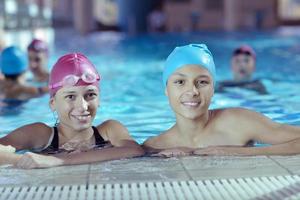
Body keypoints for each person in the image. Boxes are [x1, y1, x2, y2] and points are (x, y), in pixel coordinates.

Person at [143, 44, 300, 157]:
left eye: (202, 82)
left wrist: (241, 152)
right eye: (180, 82)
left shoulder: (239, 122)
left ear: (213, 89)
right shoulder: (154, 147)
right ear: (166, 89)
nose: (192, 91)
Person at [0, 53, 144, 169]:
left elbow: (134, 150)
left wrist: (56, 160)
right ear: (53, 103)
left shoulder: (109, 130)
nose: (82, 106)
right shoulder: (41, 135)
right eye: (70, 96)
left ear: (99, 100)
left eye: (90, 95)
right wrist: (26, 160)